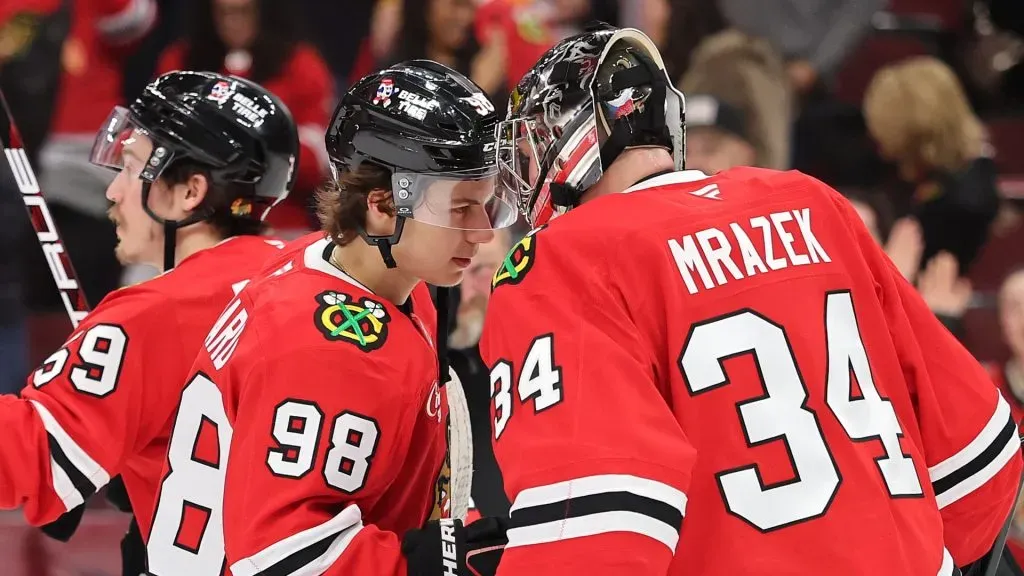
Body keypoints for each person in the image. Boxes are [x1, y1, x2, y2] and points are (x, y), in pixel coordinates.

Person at [481, 25, 1023, 575]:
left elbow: (596, 539)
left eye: (531, 146)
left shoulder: (561, 260)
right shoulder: (811, 200)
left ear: (572, 139)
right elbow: (982, 454)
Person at [148, 60, 514, 576]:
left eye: (487, 203)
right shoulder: (328, 348)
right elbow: (283, 557)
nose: (481, 232)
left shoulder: (378, 281)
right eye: (459, 209)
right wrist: (436, 563)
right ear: (382, 205)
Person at [0, 70, 297, 566]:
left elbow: (25, 457)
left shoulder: (156, 313)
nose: (114, 191)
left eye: (132, 167)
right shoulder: (313, 275)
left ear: (189, 192)